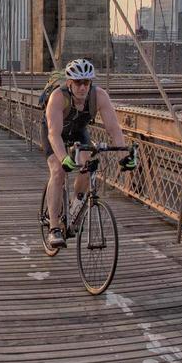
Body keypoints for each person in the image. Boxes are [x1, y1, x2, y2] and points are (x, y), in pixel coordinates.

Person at [42, 58, 132, 250]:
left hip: (78, 131)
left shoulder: (99, 96)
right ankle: (54, 228)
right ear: (69, 83)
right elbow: (53, 134)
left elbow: (114, 130)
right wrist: (64, 157)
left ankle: (76, 205)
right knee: (58, 171)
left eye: (87, 82)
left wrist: (124, 156)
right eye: (78, 83)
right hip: (55, 132)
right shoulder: (58, 97)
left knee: (88, 165)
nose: (83, 87)